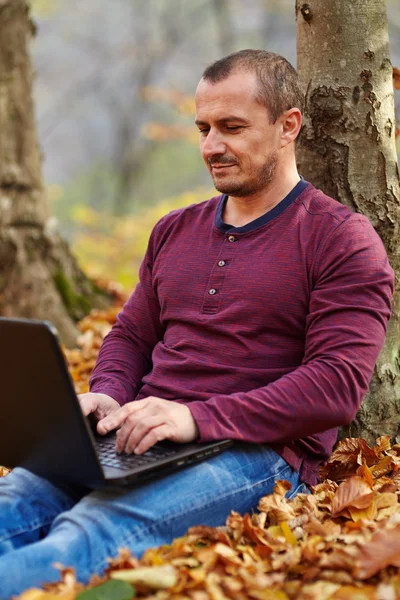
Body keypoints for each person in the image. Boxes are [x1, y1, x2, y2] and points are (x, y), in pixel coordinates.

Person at [0, 49, 394, 596]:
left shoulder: (341, 239)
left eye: (231, 127)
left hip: (256, 455)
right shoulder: (173, 230)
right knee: (9, 508)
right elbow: (132, 335)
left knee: (85, 535)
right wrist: (110, 395)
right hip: (142, 430)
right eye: (203, 128)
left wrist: (196, 418)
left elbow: (335, 387)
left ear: (288, 126)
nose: (211, 146)